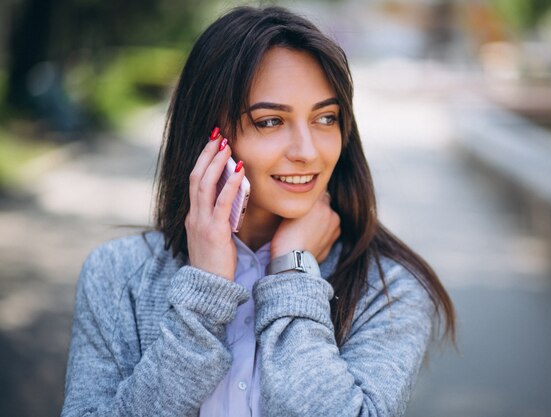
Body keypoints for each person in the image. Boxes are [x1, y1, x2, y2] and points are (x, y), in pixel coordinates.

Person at [61, 6, 455, 417]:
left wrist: (294, 273)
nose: (307, 152)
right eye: (270, 121)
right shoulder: (117, 275)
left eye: (325, 117)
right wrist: (202, 298)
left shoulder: (389, 289)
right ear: (213, 135)